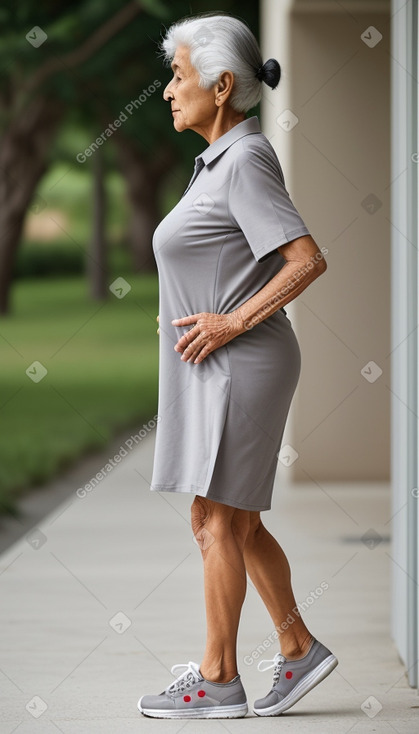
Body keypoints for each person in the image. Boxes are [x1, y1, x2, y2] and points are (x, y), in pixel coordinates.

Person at [138, 11, 338, 719]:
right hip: (222, 364)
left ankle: (218, 679)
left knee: (216, 521)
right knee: (230, 522)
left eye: (179, 75)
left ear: (221, 87)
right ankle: (297, 650)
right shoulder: (218, 161)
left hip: (242, 360)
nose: (167, 89)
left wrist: (232, 320)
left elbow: (305, 260)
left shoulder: (245, 159)